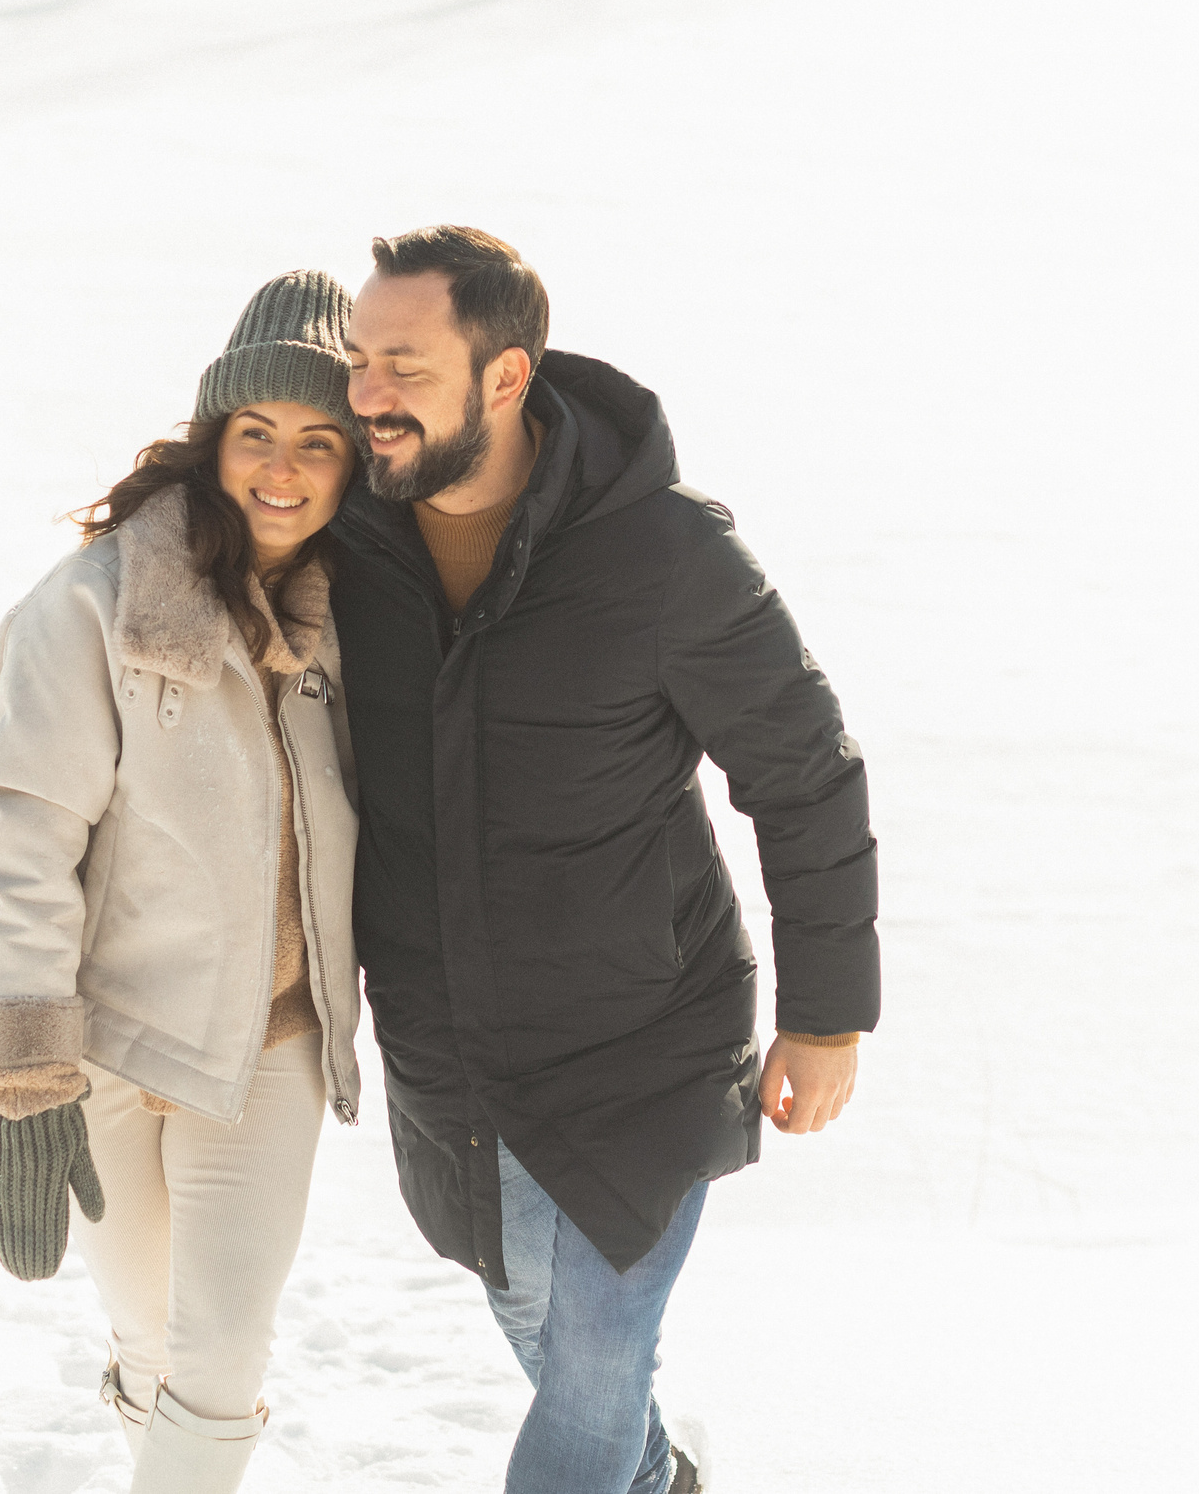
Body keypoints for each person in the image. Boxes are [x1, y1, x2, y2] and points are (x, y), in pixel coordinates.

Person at [327, 227, 880, 1494]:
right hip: (449, 1049)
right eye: (358, 360)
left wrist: (827, 1020)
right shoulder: (346, 542)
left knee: (589, 1366)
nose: (368, 394)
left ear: (505, 376)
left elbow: (805, 776)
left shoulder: (663, 556)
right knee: (542, 1325)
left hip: (644, 1041)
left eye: (405, 366)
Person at [0, 271, 366, 1494]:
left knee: (220, 1354)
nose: (281, 469)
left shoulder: (356, 623)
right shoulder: (94, 607)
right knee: (149, 1338)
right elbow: (20, 835)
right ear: (211, 441)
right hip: (108, 1045)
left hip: (269, 1048)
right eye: (256, 433)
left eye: (318, 441)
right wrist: (28, 1072)